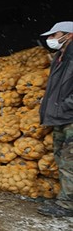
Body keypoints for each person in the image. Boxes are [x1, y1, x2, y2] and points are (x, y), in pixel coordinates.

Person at [37, 21, 73, 218]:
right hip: (61, 118)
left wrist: (63, 105)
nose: (50, 39)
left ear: (68, 35)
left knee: (70, 162)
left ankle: (67, 206)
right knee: (61, 158)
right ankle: (66, 199)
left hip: (70, 117)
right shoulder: (60, 57)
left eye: (54, 35)